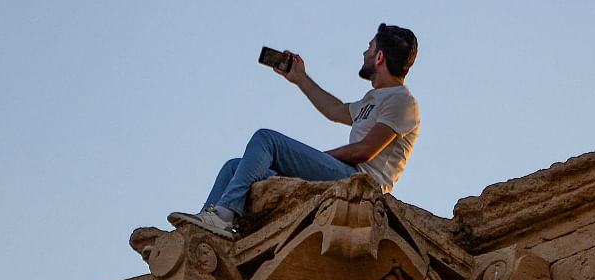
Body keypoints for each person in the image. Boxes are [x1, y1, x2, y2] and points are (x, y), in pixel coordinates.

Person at [168, 23, 419, 239]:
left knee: (267, 140)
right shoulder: (373, 98)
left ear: (379, 58)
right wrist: (301, 78)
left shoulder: (401, 101)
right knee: (235, 166)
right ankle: (199, 233)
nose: (364, 52)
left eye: (370, 47)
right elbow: (335, 109)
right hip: (343, 172)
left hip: (360, 183)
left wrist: (309, 159)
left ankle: (223, 216)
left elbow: (365, 151)